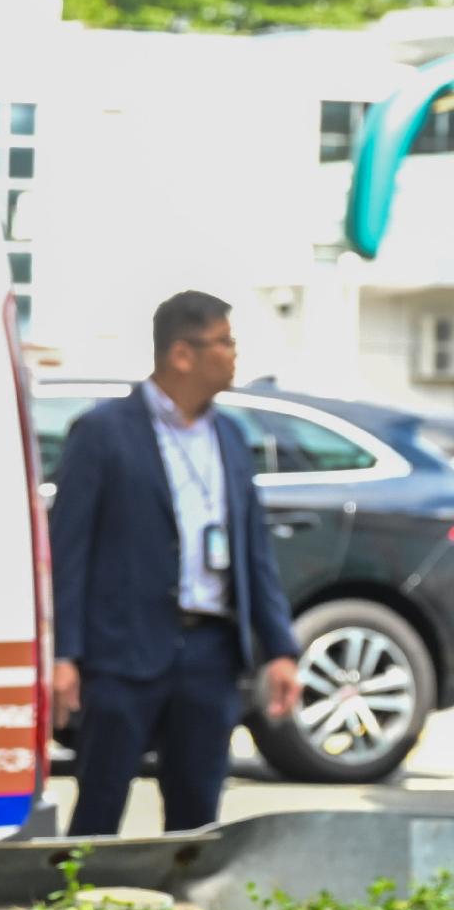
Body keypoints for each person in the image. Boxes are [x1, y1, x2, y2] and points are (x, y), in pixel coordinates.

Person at [47, 290, 301, 836]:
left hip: (209, 654)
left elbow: (254, 552)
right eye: (225, 342)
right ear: (182, 353)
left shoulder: (230, 436)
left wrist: (280, 649)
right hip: (123, 654)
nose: (234, 356)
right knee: (100, 806)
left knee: (197, 817)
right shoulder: (104, 432)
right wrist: (66, 653)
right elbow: (68, 551)